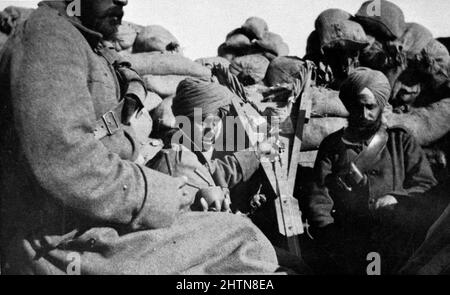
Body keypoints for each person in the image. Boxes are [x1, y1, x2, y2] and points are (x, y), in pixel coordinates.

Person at [0, 0, 280, 275]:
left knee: (260, 248)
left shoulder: (84, 42)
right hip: (63, 243)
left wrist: (190, 198)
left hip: (93, 224)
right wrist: (172, 195)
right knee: (241, 243)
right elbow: (69, 164)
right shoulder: (48, 37)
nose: (123, 0)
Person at [305, 67, 437, 274]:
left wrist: (397, 198)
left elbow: (426, 186)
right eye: (357, 107)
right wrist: (329, 236)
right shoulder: (333, 145)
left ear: (381, 105)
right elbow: (319, 198)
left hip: (396, 238)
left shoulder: (400, 141)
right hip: (348, 240)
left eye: (370, 107)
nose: (363, 114)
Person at [148, 78, 270, 212]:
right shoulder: (175, 157)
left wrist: (256, 153)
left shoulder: (192, 149)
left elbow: (215, 170)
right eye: (201, 122)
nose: (210, 131)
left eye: (214, 123)